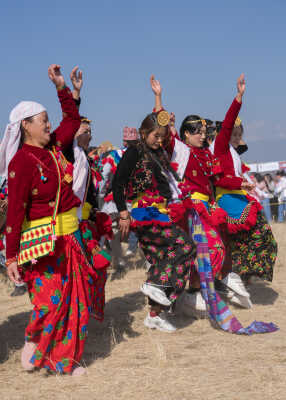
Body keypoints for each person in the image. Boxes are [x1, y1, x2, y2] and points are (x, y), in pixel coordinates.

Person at [2, 64, 98, 376]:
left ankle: (63, 361)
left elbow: (72, 119)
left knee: (75, 301)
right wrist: (12, 255)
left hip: (70, 239)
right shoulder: (21, 163)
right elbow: (15, 212)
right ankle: (34, 340)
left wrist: (60, 86)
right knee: (50, 302)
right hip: (41, 247)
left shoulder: (55, 145)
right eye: (43, 122)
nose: (48, 126)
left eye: (46, 121)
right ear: (25, 126)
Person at [112, 107, 197, 332]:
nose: (159, 140)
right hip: (144, 213)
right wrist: (122, 213)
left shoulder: (159, 154)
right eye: (155, 135)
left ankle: (155, 314)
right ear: (143, 133)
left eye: (162, 136)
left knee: (168, 261)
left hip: (161, 211)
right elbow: (117, 183)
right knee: (185, 246)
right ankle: (153, 285)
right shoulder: (134, 153)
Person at [211, 74, 277, 293]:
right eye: (234, 132)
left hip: (238, 197)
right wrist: (239, 97)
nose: (237, 135)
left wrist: (243, 185)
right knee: (257, 233)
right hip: (228, 200)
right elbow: (228, 122)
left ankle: (239, 276)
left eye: (240, 133)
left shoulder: (234, 153)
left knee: (257, 238)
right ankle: (233, 277)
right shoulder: (220, 146)